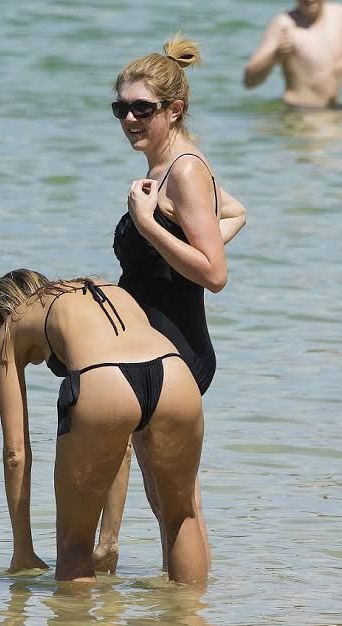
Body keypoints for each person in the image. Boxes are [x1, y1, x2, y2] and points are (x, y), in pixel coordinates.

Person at [93, 36, 246, 573]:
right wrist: (175, 228)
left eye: (143, 108)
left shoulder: (183, 170)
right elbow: (237, 212)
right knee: (168, 502)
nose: (129, 119)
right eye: (120, 108)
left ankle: (189, 613)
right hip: (153, 349)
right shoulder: (166, 168)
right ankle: (181, 609)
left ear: (174, 109)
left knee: (178, 507)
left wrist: (148, 225)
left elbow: (214, 274)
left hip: (174, 351)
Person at [0, 269, 207, 584]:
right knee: (181, 518)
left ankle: (75, 619)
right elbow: (121, 444)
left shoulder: (13, 325)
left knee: (74, 544)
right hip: (175, 372)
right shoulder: (100, 289)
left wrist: (23, 551)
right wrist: (109, 541)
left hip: (102, 378)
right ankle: (192, 615)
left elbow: (15, 453)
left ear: (4, 312)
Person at [243, 1, 342, 109]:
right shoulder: (284, 24)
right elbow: (249, 81)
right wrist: (275, 56)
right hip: (300, 112)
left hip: (333, 111)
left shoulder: (338, 15)